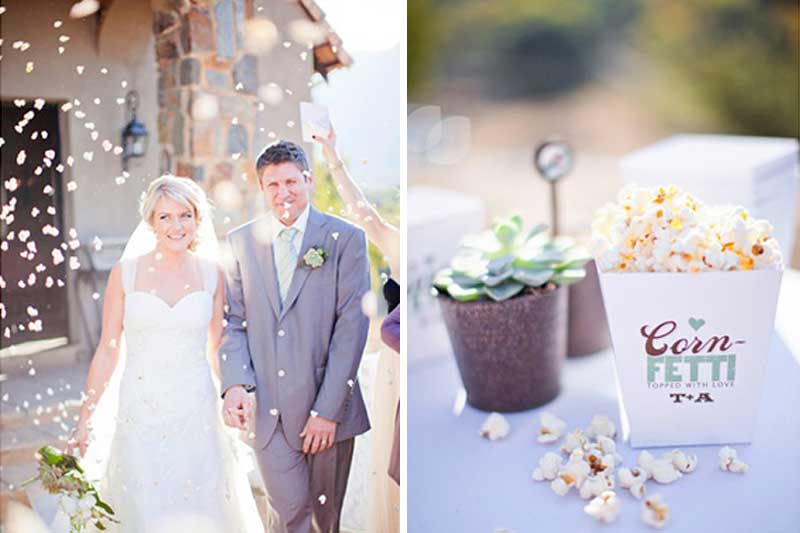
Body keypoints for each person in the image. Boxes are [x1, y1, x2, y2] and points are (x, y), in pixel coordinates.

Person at [64, 176, 262, 533]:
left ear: (198, 218)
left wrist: (235, 392)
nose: (177, 226)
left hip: (196, 408)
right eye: (165, 217)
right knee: (143, 503)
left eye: (185, 215)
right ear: (151, 222)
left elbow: (218, 348)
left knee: (201, 499)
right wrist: (84, 418)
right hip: (141, 408)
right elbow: (109, 349)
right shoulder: (125, 273)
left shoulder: (211, 274)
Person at [219, 141, 371, 533]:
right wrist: (235, 383)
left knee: (324, 521)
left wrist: (327, 411)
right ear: (261, 188)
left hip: (327, 410)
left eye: (291, 181)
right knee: (291, 515)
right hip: (268, 412)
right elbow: (233, 321)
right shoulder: (240, 242)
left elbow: (351, 329)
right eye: (272, 185)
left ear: (308, 180)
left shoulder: (346, 239)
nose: (283, 192)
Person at [313, 124, 401, 533]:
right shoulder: (397, 240)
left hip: (407, 367)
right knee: (389, 465)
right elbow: (360, 209)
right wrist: (331, 155)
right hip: (393, 371)